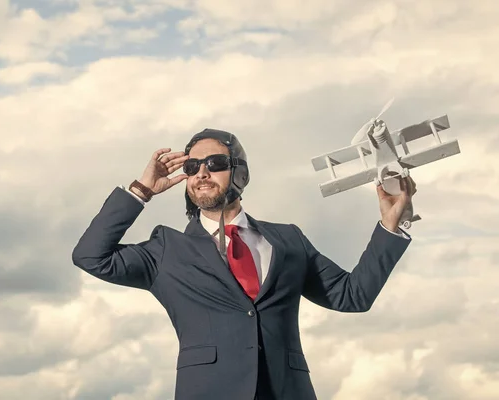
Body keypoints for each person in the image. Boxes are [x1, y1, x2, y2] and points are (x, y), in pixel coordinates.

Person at [72, 129, 417, 400]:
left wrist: (390, 226)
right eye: (192, 167)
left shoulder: (288, 240)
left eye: (215, 164)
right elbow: (90, 256)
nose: (201, 173)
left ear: (240, 173)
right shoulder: (165, 249)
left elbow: (351, 296)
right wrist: (141, 190)